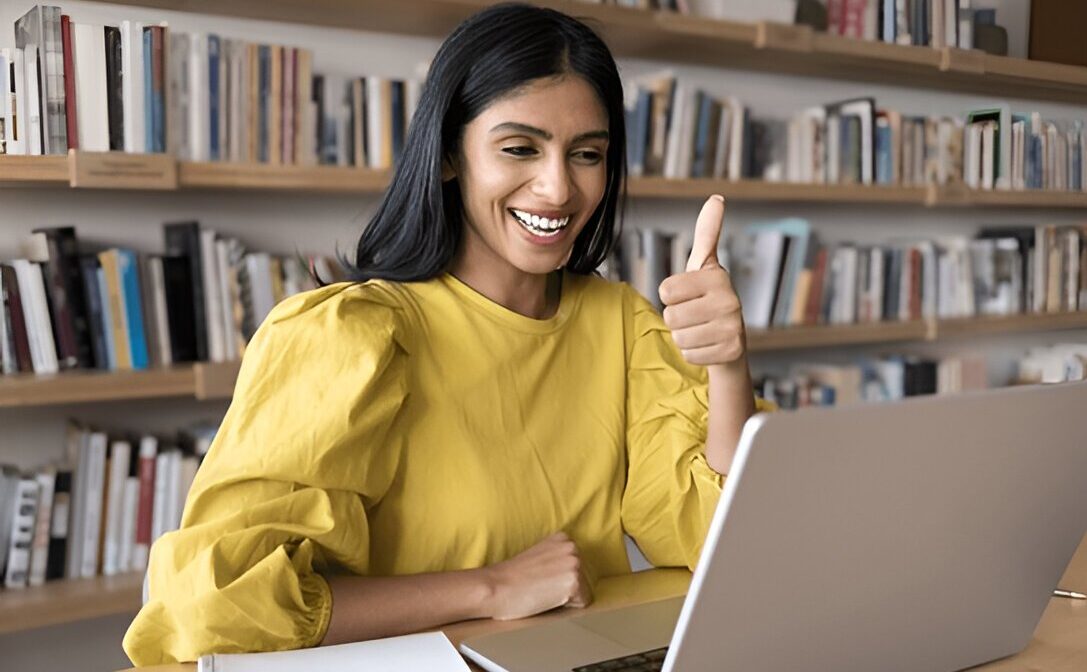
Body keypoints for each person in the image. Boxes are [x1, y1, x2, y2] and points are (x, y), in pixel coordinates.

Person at [123, 3, 769, 665]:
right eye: (520, 148)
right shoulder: (352, 335)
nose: (558, 188)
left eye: (587, 154)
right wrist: (491, 588)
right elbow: (216, 600)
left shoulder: (624, 326)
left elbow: (724, 546)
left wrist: (727, 366)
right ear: (450, 156)